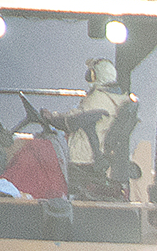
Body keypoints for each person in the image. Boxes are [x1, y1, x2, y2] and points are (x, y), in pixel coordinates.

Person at [33, 57, 125, 196]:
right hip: (96, 160)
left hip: (83, 160)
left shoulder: (98, 98)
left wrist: (51, 117)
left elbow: (71, 122)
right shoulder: (117, 98)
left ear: (96, 75)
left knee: (36, 157)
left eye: (91, 74)